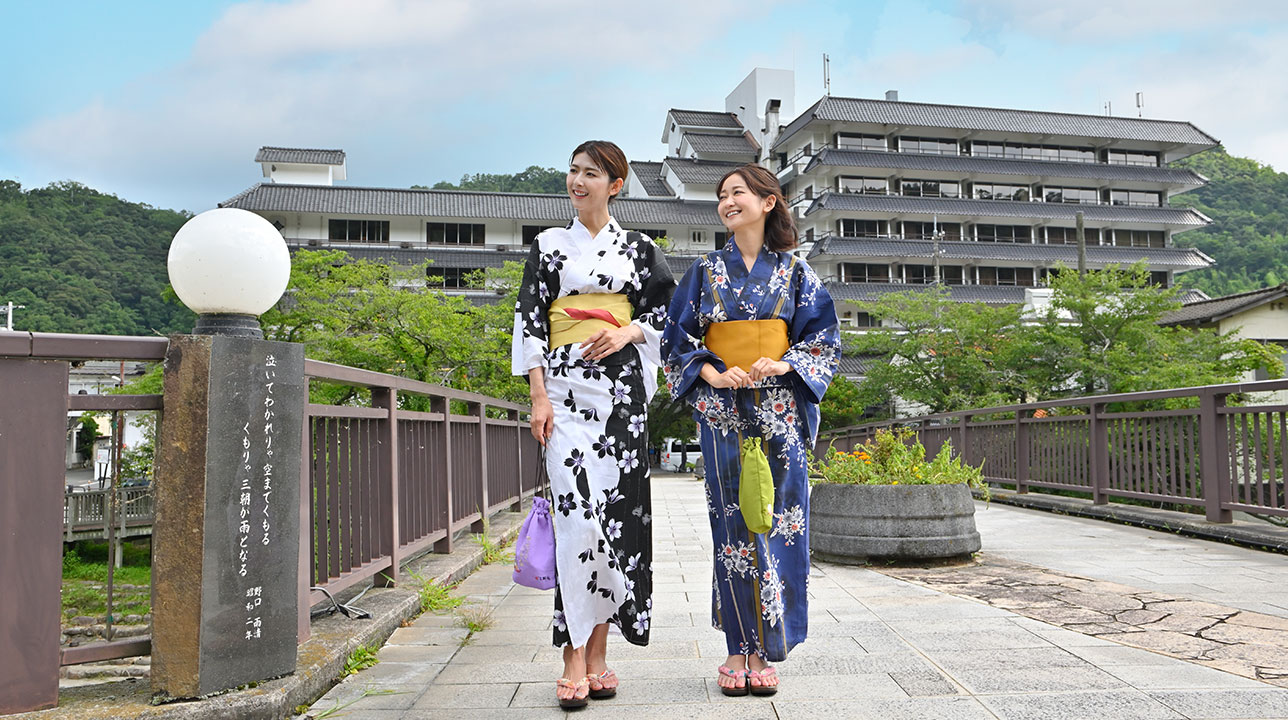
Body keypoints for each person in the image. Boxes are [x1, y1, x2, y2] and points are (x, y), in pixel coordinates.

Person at [661, 164, 840, 696]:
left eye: (737, 192)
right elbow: (677, 338)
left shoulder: (797, 273)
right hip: (723, 413)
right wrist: (713, 370)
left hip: (779, 411)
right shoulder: (703, 271)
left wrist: (783, 365)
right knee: (732, 525)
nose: (727, 201)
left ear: (768, 202)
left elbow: (824, 339)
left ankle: (767, 648)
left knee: (778, 521)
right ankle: (738, 648)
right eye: (721, 196)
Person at [511, 140, 676, 709]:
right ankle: (572, 654)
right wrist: (537, 395)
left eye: (591, 173)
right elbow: (531, 321)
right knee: (576, 522)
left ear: (616, 184)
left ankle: (599, 652)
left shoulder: (640, 248)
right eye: (573, 171)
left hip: (620, 400)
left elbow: (668, 318)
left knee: (615, 523)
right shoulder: (548, 247)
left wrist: (628, 332)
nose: (578, 181)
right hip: (561, 392)